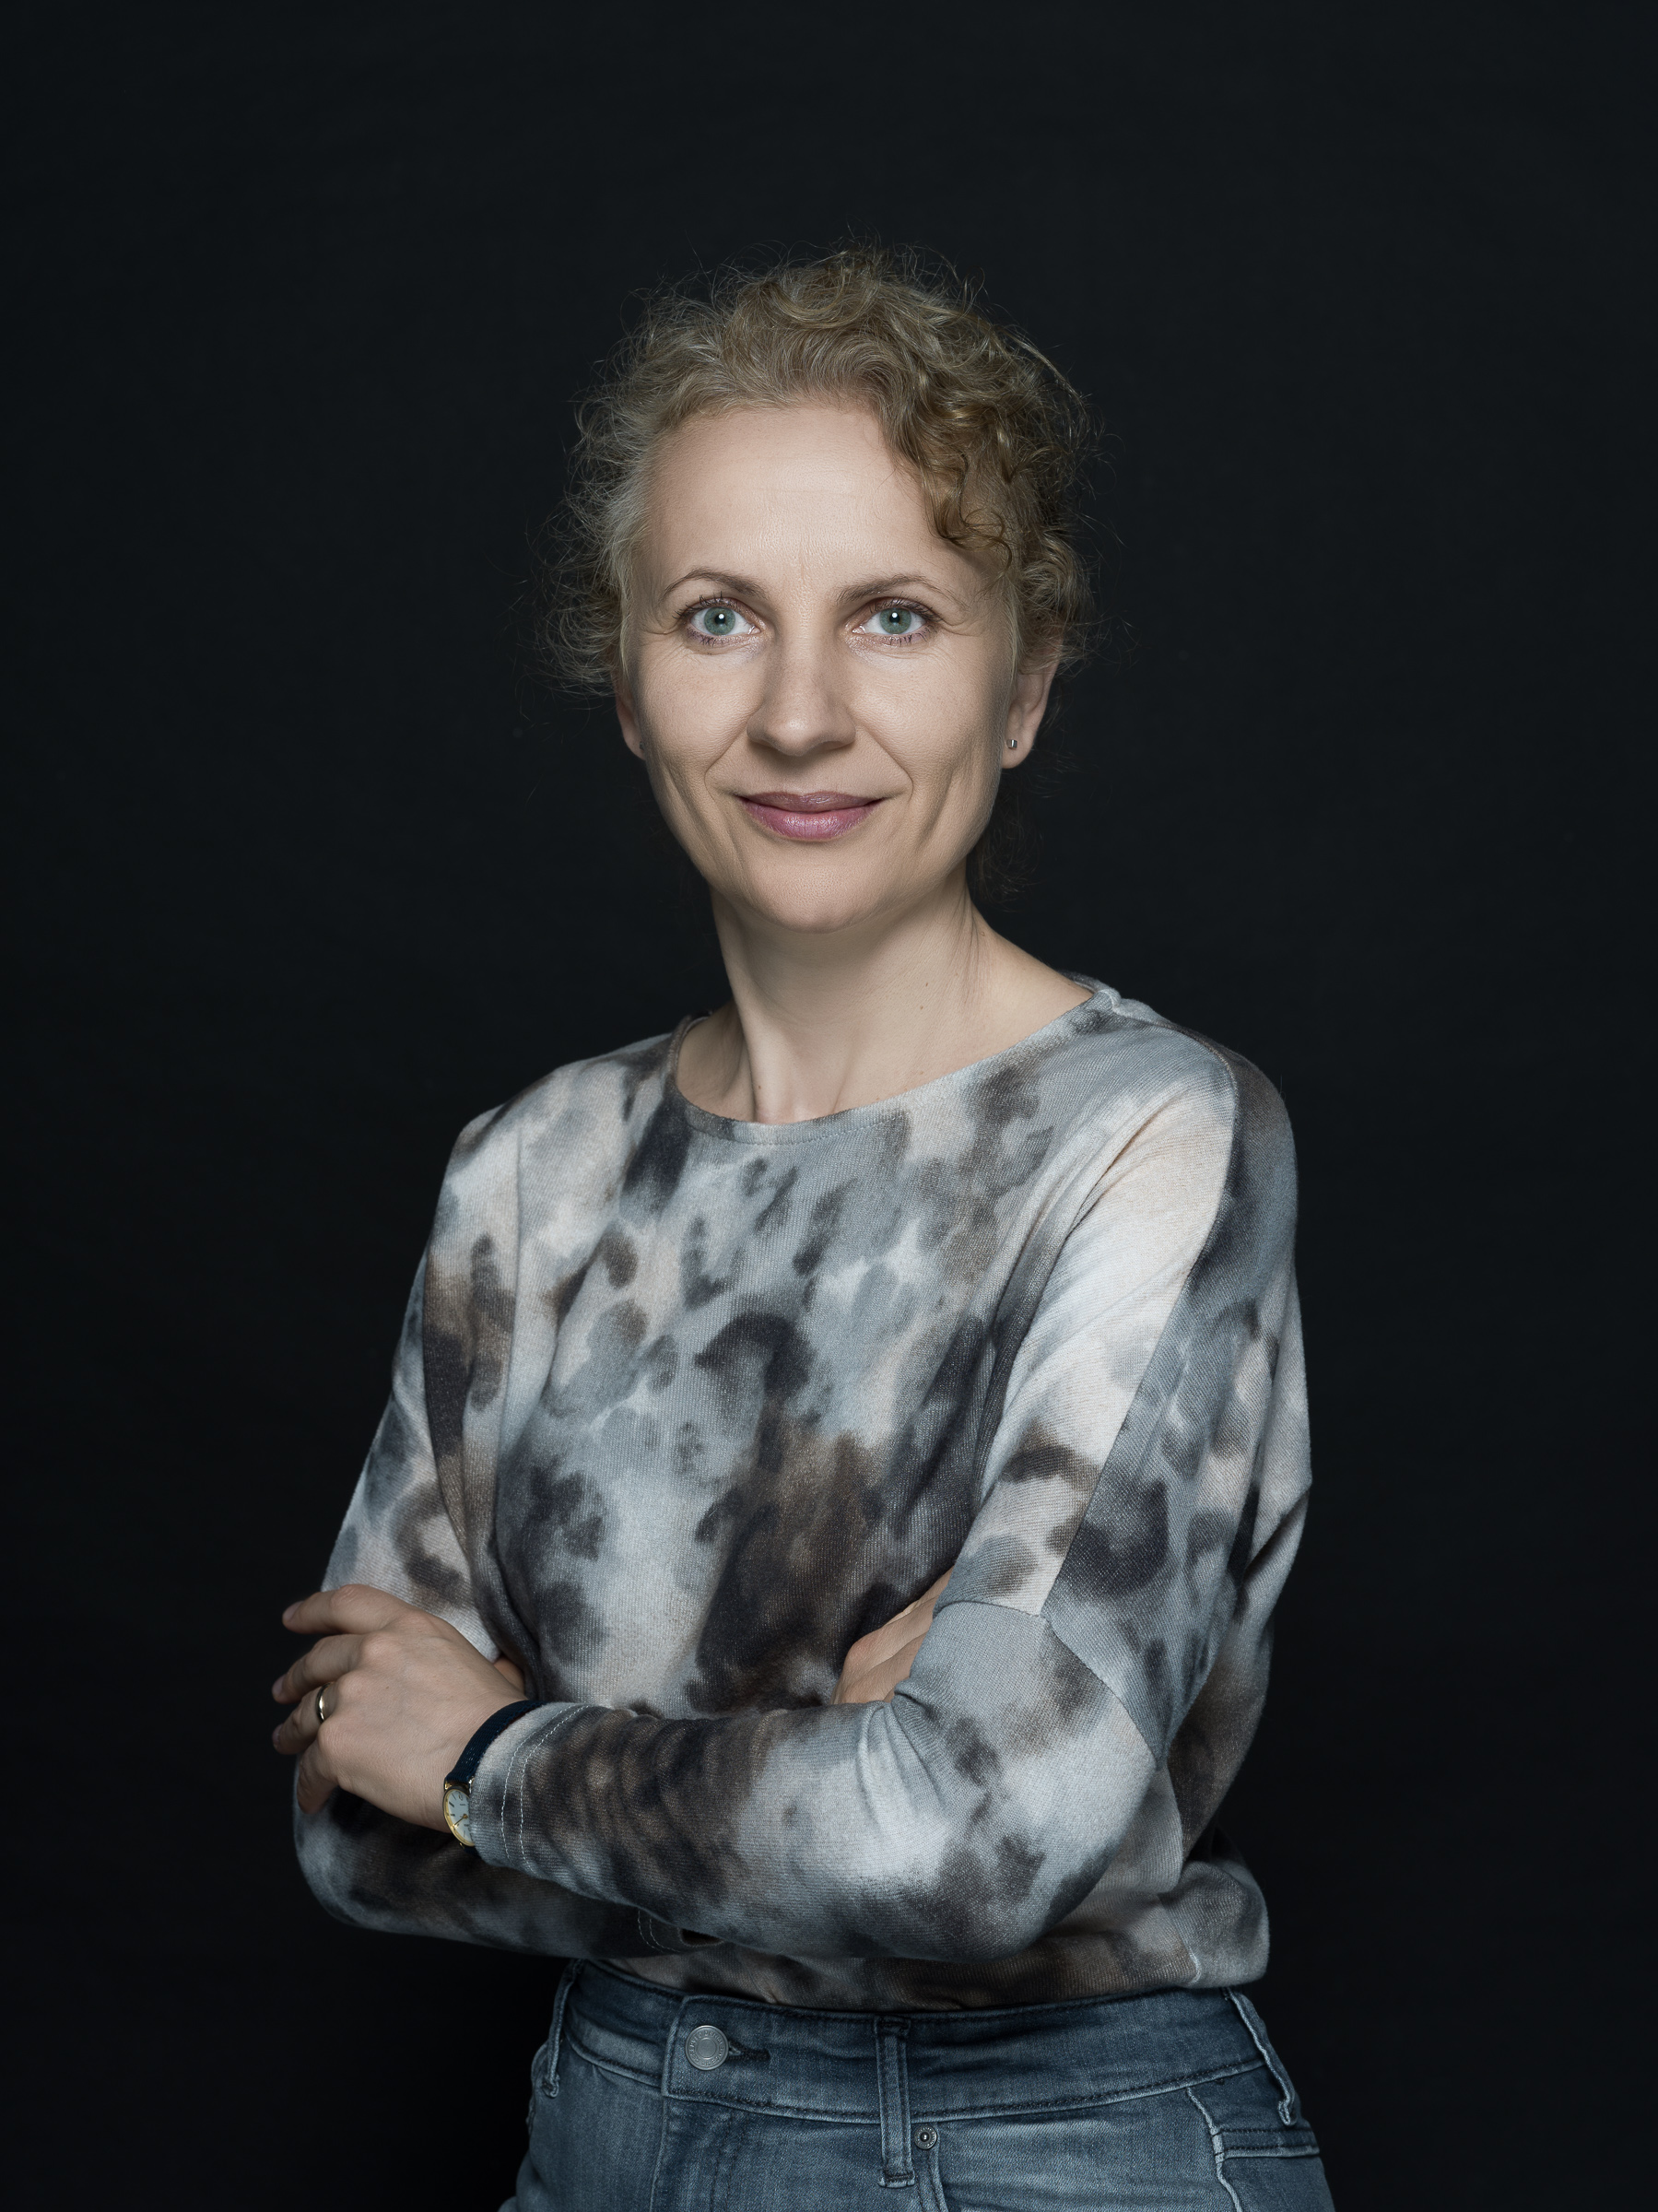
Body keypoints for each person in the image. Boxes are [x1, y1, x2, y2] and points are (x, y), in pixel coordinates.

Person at [272, 248, 1335, 2210]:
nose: (798, 713)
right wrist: (830, 1757)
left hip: (1041, 2150)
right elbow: (356, 1817)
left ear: (1023, 688)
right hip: (603, 2133)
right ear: (630, 683)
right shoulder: (531, 1170)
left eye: (894, 618)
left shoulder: (1154, 1137)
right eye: (718, 618)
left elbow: (974, 1842)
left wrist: (502, 1758)